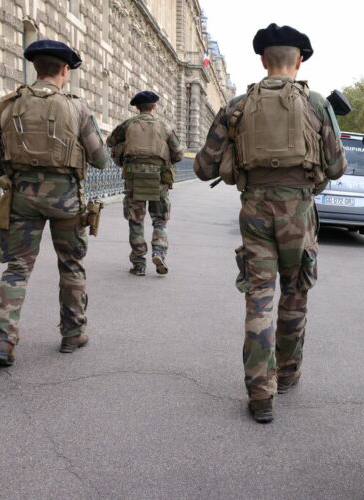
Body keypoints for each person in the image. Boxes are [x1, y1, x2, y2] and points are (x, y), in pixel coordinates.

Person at [193, 23, 347, 423]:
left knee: (259, 297)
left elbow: (203, 166)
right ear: (298, 61)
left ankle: (260, 392)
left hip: (255, 210)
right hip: (298, 210)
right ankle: (289, 372)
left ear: (263, 61)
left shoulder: (237, 107)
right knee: (295, 294)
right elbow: (337, 166)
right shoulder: (316, 103)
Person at [0, 40, 109, 366]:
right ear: (64, 70)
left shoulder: (7, 103)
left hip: (21, 196)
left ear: (36, 67)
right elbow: (101, 159)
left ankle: (2, 341)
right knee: (71, 265)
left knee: (17, 268)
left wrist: (2, 177)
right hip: (65, 199)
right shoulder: (77, 107)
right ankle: (72, 333)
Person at [106, 91, 184, 276]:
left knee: (136, 221)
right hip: (159, 180)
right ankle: (159, 253)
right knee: (159, 221)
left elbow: (110, 141)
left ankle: (139, 264)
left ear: (137, 107)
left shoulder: (128, 124)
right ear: (154, 107)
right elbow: (179, 154)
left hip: (134, 179)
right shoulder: (164, 126)